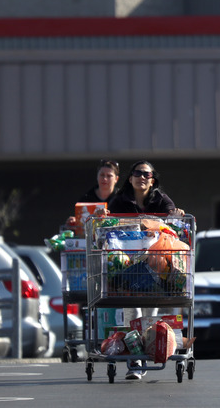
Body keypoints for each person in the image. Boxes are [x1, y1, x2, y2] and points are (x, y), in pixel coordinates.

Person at [106, 160, 185, 379]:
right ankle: (136, 360)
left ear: (153, 180)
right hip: (128, 266)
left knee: (150, 311)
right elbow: (106, 226)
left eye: (147, 175)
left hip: (155, 266)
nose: (142, 177)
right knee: (133, 310)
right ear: (130, 178)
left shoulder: (160, 199)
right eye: (138, 173)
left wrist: (176, 214)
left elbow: (173, 218)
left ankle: (147, 351)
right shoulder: (119, 201)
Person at [65, 159, 121, 229]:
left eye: (109, 176)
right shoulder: (86, 198)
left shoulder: (122, 198)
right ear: (97, 176)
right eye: (102, 175)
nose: (105, 179)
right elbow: (81, 225)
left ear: (116, 179)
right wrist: (74, 222)